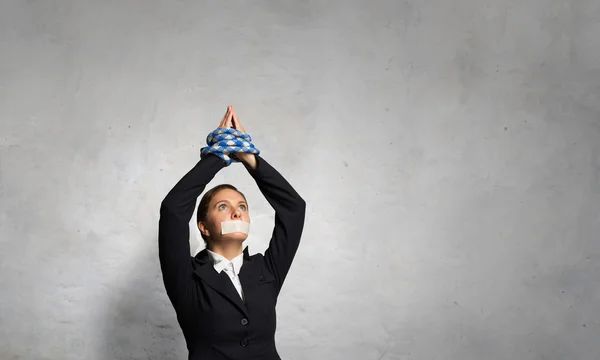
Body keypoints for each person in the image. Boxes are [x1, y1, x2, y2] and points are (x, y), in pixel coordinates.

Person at [158, 105, 306, 360]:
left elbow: (294, 209)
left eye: (242, 207)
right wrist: (219, 155)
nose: (237, 213)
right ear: (203, 226)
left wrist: (249, 157)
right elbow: (173, 210)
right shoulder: (188, 278)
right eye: (223, 207)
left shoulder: (266, 271)